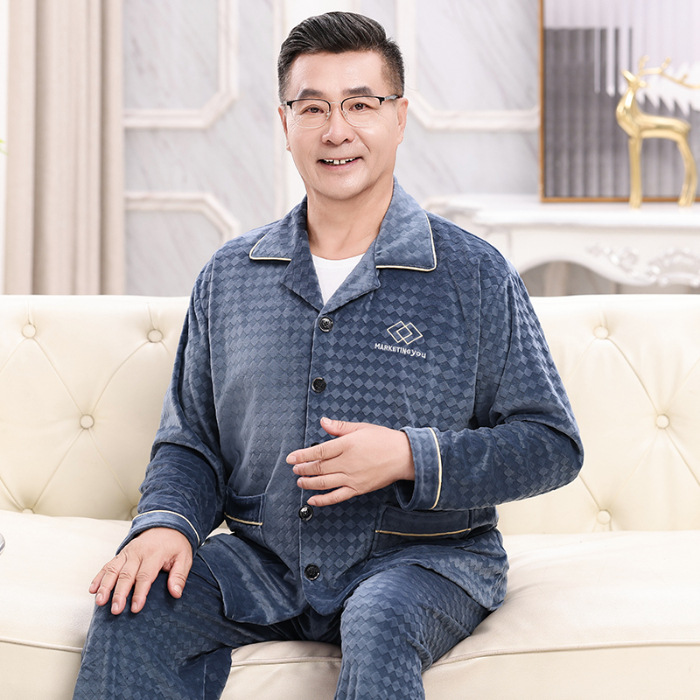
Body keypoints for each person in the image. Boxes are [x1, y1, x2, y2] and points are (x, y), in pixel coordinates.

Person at [74, 11, 583, 699]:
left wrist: (408, 456)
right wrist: (166, 525)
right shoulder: (230, 276)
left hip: (424, 563)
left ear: (399, 117)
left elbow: (551, 443)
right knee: (132, 606)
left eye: (360, 105)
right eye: (312, 107)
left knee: (378, 621)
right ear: (285, 123)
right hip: (263, 561)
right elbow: (190, 442)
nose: (336, 130)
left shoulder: (474, 274)